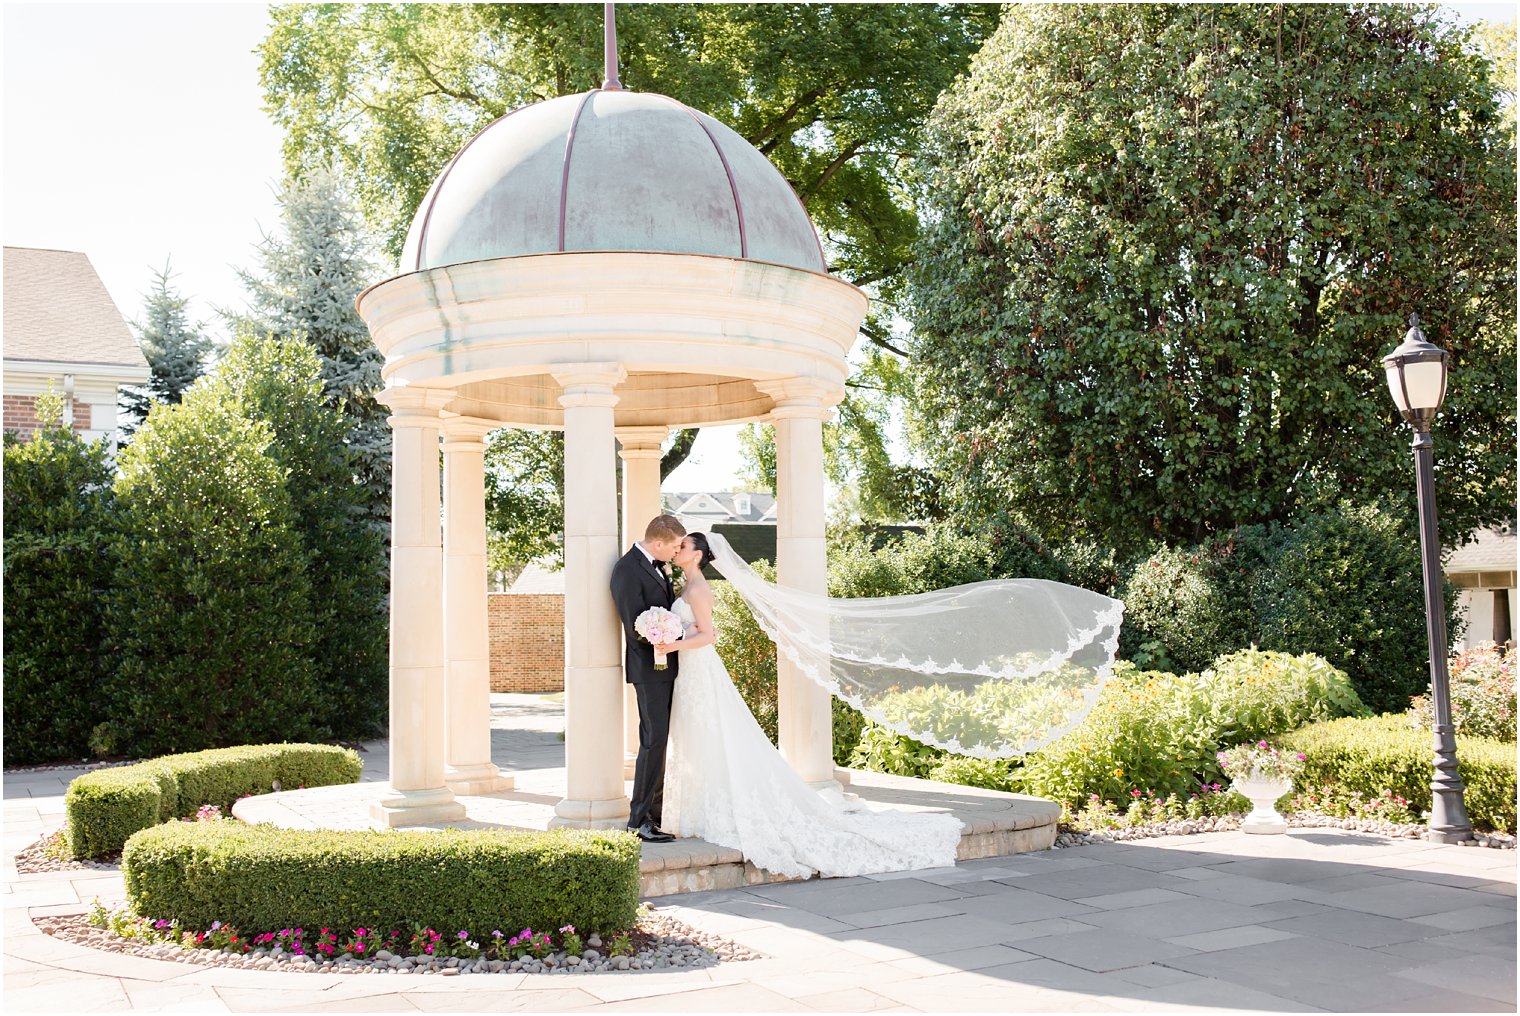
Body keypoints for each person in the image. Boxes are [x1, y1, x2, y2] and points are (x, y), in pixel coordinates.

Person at [653, 531, 965, 878]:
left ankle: (714, 810)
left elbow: (709, 636)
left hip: (701, 670)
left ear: (698, 555)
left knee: (712, 734)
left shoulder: (698, 589)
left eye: (684, 546)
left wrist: (673, 643)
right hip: (690, 672)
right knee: (700, 738)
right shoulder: (685, 585)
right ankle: (698, 810)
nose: (677, 549)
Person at [608, 514, 686, 843]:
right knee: (652, 742)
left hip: (667, 665)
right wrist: (663, 635)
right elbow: (633, 624)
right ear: (658, 543)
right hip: (648, 668)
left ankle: (654, 816)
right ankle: (637, 820)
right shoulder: (626, 570)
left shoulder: (657, 566)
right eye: (675, 546)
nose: (677, 552)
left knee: (660, 743)